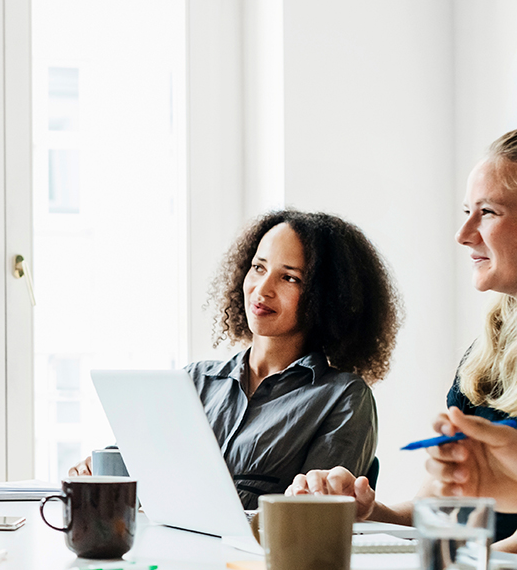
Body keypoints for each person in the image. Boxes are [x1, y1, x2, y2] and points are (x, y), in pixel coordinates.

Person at [72, 210, 401, 509]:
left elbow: (314, 515)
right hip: (168, 555)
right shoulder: (195, 380)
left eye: (289, 278)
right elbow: (130, 465)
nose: (262, 289)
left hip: (260, 568)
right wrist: (95, 470)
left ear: (327, 298)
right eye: (258, 268)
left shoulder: (343, 398)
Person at [290, 130, 517, 548]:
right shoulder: (488, 351)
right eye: (467, 211)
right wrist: (369, 513)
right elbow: (441, 508)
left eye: (487, 212)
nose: (464, 233)